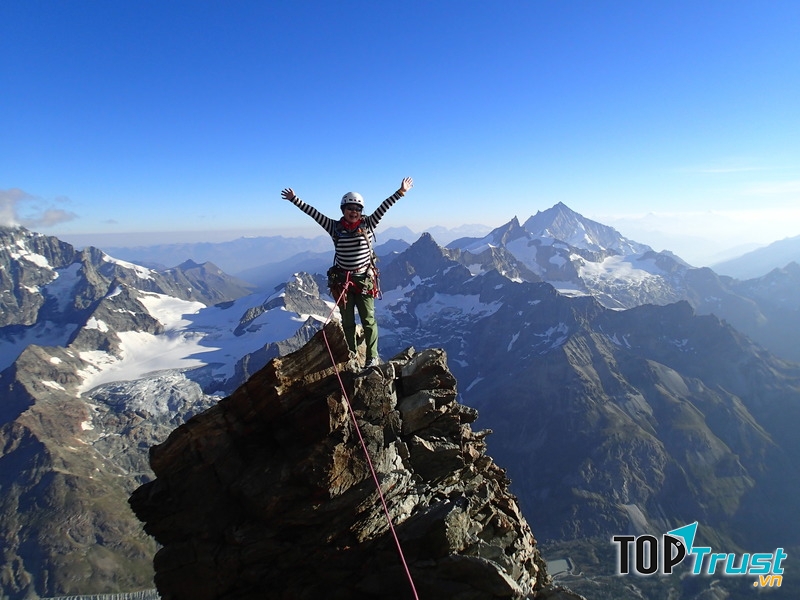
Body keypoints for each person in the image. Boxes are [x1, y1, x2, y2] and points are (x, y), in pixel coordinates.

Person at [281, 177, 413, 367]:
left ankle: (371, 357)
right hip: (343, 281)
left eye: (358, 209)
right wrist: (295, 199)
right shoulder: (334, 227)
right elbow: (314, 214)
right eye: (350, 208)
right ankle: (352, 355)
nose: (354, 212)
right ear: (343, 210)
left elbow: (384, 207)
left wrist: (401, 192)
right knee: (347, 321)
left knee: (368, 320)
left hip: (364, 279)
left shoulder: (368, 224)